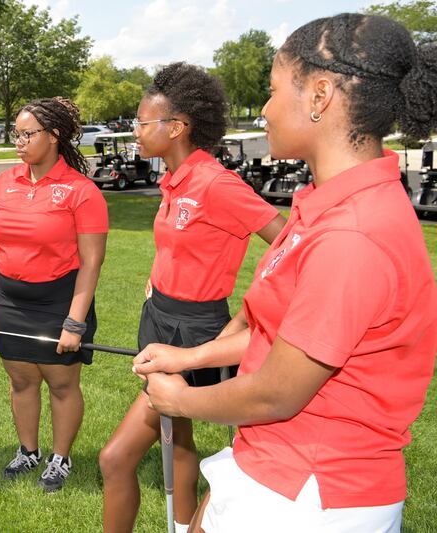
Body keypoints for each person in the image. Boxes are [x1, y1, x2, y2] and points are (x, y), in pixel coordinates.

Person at [134, 14, 437, 533]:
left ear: (320, 95)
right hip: (270, 461)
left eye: (273, 92)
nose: (266, 111)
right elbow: (274, 331)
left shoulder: (352, 234)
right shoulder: (320, 207)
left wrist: (181, 397)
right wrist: (191, 355)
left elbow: (279, 390)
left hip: (311, 493)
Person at [99, 63, 286, 533]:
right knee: (177, 435)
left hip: (196, 332)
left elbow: (290, 245)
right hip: (158, 316)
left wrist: (253, 308)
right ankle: (184, 526)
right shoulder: (174, 178)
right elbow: (177, 246)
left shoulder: (216, 184)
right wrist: (157, 281)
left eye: (144, 123)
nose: (135, 131)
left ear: (177, 127)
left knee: (116, 458)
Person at [0, 97, 108, 493]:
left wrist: (75, 321)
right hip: (9, 299)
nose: (19, 141)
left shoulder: (81, 192)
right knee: (20, 380)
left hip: (59, 300)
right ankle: (28, 450)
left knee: (62, 384)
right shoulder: (1, 184)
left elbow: (91, 263)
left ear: (54, 136)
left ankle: (60, 457)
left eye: (28, 134)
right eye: (17, 133)